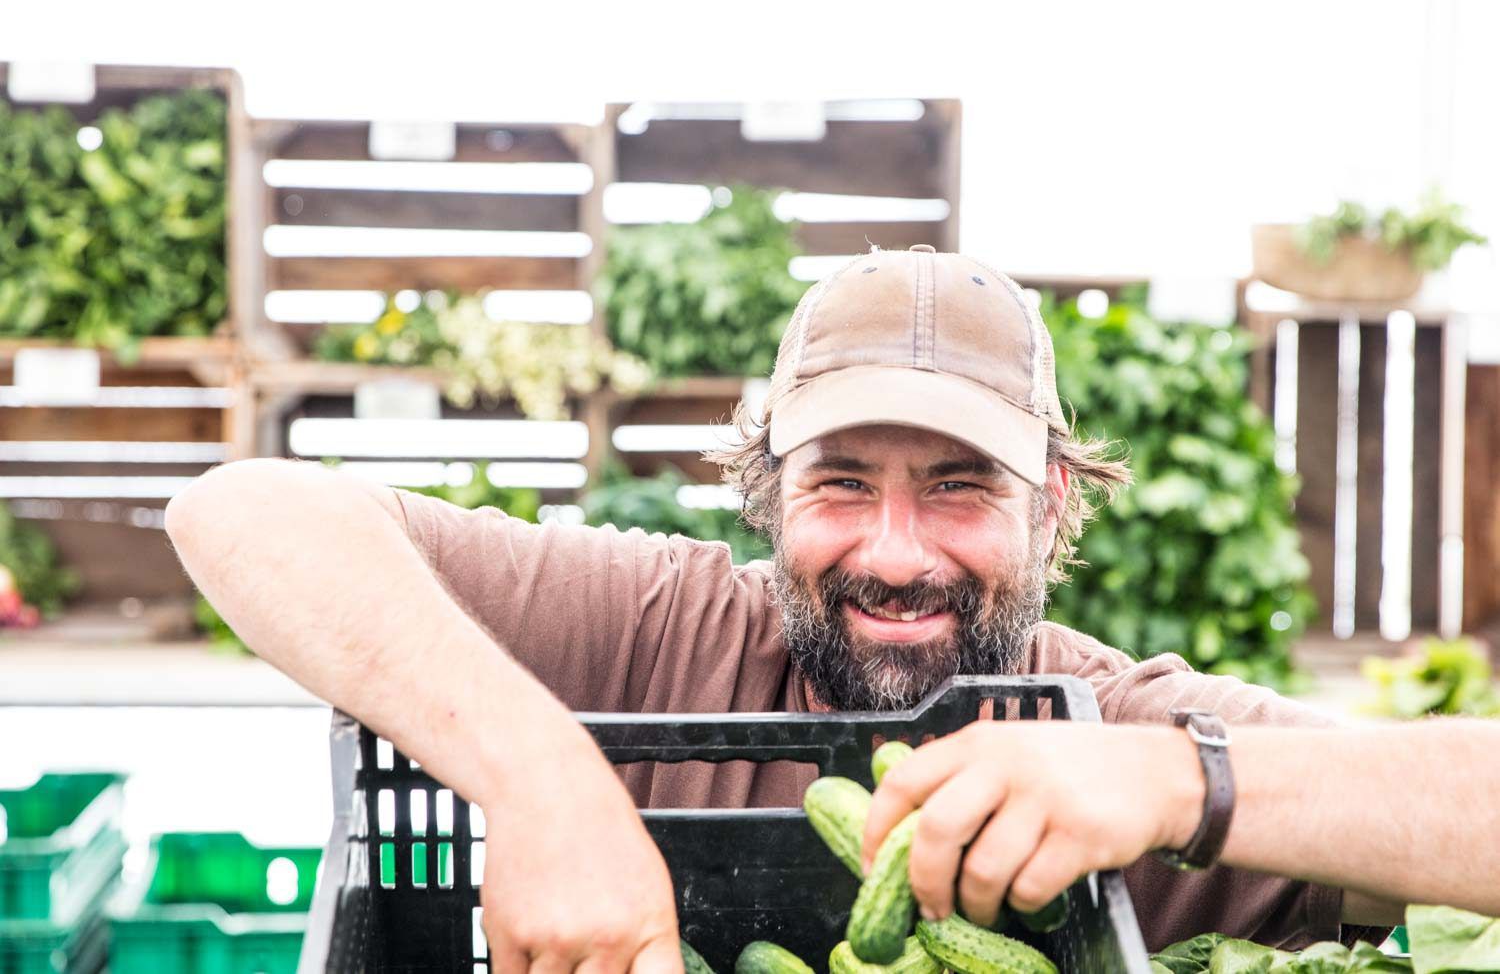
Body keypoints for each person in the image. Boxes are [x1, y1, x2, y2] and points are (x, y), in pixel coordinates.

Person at [167, 246, 1500, 974]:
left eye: (962, 487)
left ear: (1050, 511)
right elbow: (235, 511)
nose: (896, 550)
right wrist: (545, 780)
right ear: (765, 497)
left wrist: (1179, 784)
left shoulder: (1117, 724)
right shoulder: (661, 623)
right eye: (842, 483)